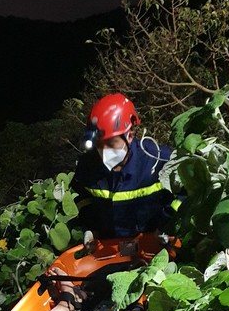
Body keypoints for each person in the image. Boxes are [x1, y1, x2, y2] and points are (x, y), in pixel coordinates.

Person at [73, 92, 181, 240]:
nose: (104, 151)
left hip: (152, 246)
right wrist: (90, 228)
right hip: (108, 248)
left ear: (129, 136)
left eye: (111, 143)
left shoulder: (159, 159)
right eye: (99, 144)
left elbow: (185, 194)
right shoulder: (87, 167)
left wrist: (167, 224)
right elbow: (82, 197)